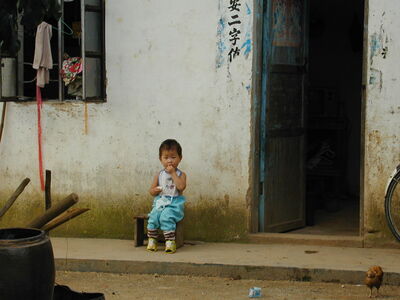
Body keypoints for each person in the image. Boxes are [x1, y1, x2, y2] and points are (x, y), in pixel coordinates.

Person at [146, 139, 187, 253]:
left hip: (174, 204)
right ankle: (152, 239)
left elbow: (181, 187)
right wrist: (154, 190)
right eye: (166, 157)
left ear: (180, 158)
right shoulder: (159, 174)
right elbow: (151, 191)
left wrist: (173, 173)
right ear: (161, 159)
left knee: (166, 217)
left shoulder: (181, 174)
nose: (169, 161)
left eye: (173, 157)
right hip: (161, 201)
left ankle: (170, 241)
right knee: (153, 216)